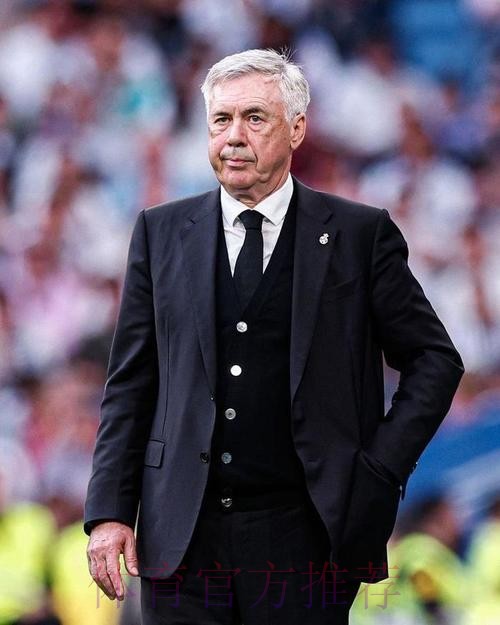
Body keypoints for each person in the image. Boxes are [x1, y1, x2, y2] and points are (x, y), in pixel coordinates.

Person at [84, 49, 464, 625]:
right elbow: (130, 383)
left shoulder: (360, 235)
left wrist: (380, 469)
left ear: (297, 129)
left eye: (254, 118)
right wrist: (109, 512)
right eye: (221, 119)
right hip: (181, 539)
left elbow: (434, 359)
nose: (234, 136)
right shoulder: (159, 232)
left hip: (308, 539)